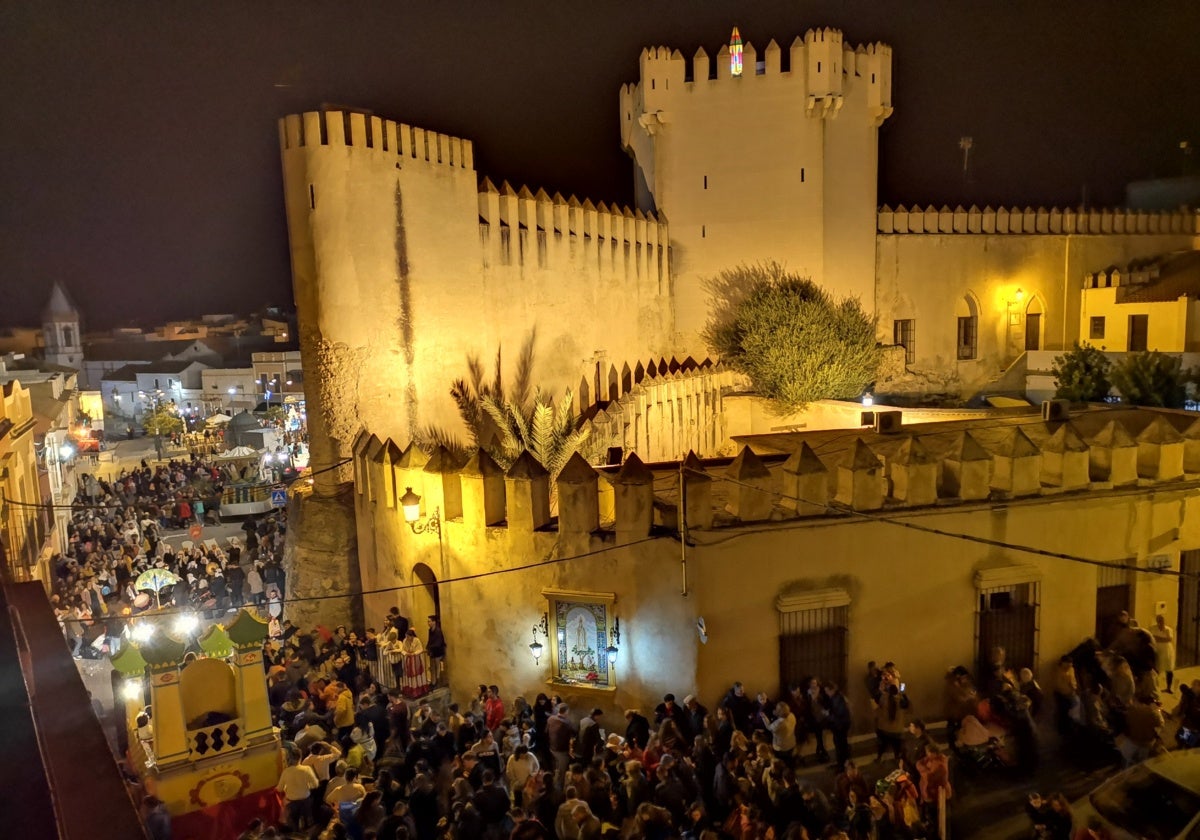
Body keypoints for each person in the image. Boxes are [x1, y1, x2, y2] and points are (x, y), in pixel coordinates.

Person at [277, 758, 320, 831]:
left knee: (293, 822)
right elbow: (315, 784)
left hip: (291, 802)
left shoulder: (286, 771)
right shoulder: (307, 769)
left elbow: (279, 788)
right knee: (308, 822)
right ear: (300, 758)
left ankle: (295, 834)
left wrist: (286, 788)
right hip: (305, 800)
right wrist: (308, 786)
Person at [1151, 614, 1176, 693]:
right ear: (1157, 621)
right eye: (1159, 620)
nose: (1161, 622)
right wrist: (1163, 639)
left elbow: (1169, 639)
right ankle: (1153, 687)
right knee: (1156, 670)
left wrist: (1159, 638)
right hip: (1158, 651)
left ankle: (1169, 687)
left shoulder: (1168, 629)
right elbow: (1153, 638)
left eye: (1162, 620)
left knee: (1169, 669)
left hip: (1167, 652)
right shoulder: (1153, 629)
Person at [426, 615, 446, 685]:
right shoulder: (430, 631)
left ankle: (438, 682)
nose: (428, 623)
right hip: (433, 652)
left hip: (438, 652)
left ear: (434, 622)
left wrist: (430, 647)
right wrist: (427, 647)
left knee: (438, 667)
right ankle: (433, 682)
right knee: (432, 667)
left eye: (429, 621)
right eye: (428, 621)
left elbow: (439, 642)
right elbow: (430, 640)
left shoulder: (438, 631)